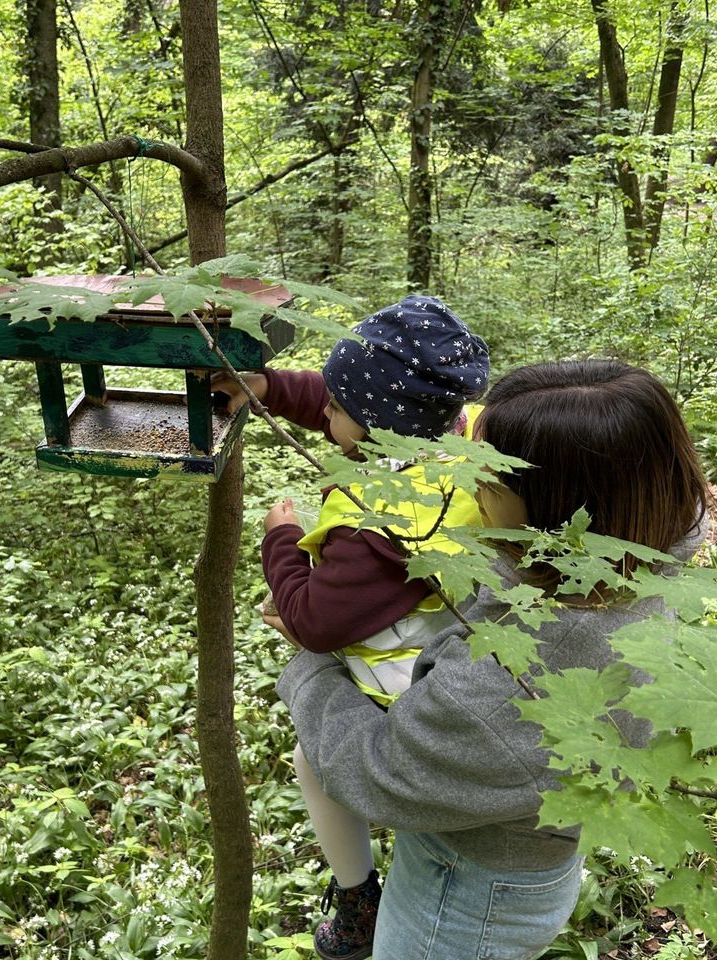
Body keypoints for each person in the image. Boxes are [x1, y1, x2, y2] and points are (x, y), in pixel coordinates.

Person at [273, 359, 709, 960]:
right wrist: (273, 389)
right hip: (521, 844)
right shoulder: (640, 546)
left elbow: (383, 773)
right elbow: (394, 398)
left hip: (466, 896)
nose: (469, 485)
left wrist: (312, 663)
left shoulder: (514, 676)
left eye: (492, 479)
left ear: (553, 507)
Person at [213, 296, 491, 960]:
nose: (325, 411)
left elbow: (314, 623)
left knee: (318, 756)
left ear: (373, 428)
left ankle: (357, 895)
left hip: (410, 693)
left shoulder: (376, 528)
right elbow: (350, 409)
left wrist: (280, 542)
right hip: (468, 650)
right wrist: (271, 389)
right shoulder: (469, 434)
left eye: (335, 408)